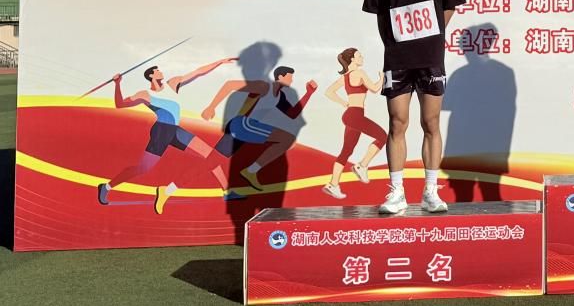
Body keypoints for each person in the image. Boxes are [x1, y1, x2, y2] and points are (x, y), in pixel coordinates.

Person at [362, 0, 466, 214]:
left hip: (430, 57)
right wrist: (396, 43)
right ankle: (396, 193)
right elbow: (381, 16)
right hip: (397, 60)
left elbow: (448, 7)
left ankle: (431, 191)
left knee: (430, 122)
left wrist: (430, 35)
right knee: (397, 122)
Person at [98, 56, 238, 214]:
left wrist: (219, 62)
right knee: (142, 168)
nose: (161, 72)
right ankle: (106, 187)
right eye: (157, 70)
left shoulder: (173, 84)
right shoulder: (144, 94)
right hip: (161, 132)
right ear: (151, 75)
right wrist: (117, 84)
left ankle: (226, 190)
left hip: (176, 131)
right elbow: (120, 104)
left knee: (211, 155)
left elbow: (198, 72)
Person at [201, 66, 319, 196]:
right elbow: (230, 85)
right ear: (280, 77)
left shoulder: (279, 96)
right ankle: (251, 171)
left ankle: (226, 191)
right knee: (287, 139)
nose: (292, 81)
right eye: (290, 77)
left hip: (241, 129)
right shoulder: (263, 86)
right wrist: (211, 107)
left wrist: (308, 93)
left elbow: (293, 113)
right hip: (243, 125)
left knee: (212, 160)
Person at [322, 48, 387, 199]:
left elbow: (328, 92)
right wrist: (382, 78)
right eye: (359, 56)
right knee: (383, 137)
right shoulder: (360, 73)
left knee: (346, 151)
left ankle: (333, 184)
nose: (362, 57)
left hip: (350, 115)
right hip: (355, 116)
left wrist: (344, 103)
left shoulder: (345, 77)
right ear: (352, 59)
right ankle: (362, 165)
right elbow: (375, 89)